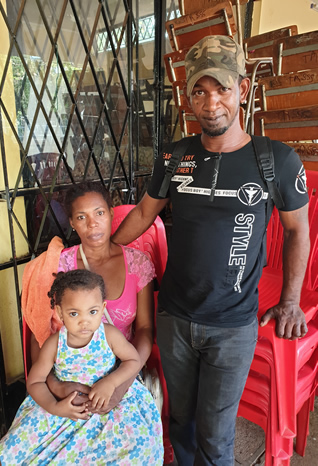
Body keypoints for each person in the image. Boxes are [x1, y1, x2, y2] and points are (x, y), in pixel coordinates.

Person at [111, 35, 310, 465]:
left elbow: (298, 232)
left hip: (232, 325)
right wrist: (102, 250)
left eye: (221, 88)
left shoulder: (275, 160)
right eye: (199, 91)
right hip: (175, 317)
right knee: (180, 421)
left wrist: (291, 301)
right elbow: (145, 214)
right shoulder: (174, 156)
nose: (211, 102)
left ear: (242, 89)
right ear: (189, 99)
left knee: (216, 436)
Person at [0, 269, 164, 464]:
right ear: (60, 312)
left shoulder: (109, 335)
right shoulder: (54, 344)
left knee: (138, 447)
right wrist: (56, 407)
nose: (84, 321)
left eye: (92, 311)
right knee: (16, 447)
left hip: (112, 406)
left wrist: (110, 383)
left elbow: (134, 360)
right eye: (74, 313)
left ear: (102, 308)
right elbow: (35, 382)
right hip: (66, 409)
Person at [23, 181, 156, 414]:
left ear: (111, 214)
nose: (93, 223)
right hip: (68, 375)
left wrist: (121, 384)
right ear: (72, 223)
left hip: (122, 369)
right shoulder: (58, 265)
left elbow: (144, 329)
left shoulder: (137, 263)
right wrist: (57, 387)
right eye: (82, 217)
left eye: (99, 213)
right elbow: (40, 333)